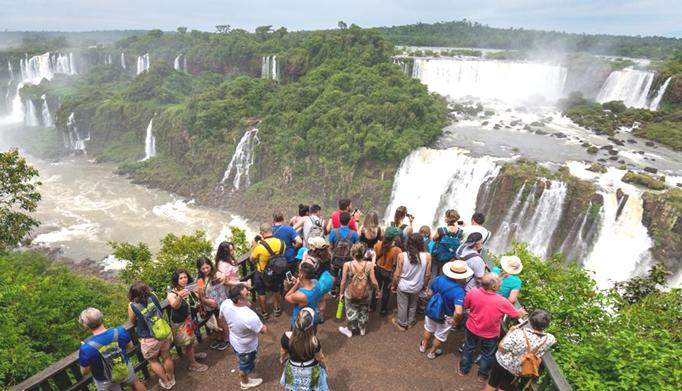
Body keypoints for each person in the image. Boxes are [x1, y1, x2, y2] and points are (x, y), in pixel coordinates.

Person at [459, 274, 527, 380]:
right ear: (494, 287)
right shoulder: (502, 301)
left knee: (468, 348)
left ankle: (463, 370)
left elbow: (466, 305)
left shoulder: (473, 292)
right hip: (490, 333)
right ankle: (482, 375)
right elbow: (515, 315)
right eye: (500, 284)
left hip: (472, 327)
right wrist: (521, 312)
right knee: (487, 354)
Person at [485, 310, 556, 391]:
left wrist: (510, 332)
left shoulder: (518, 333)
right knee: (504, 387)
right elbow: (553, 339)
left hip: (502, 362)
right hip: (516, 368)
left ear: (530, 321)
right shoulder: (549, 339)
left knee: (492, 383)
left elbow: (501, 347)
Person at [78, 307, 146, 391]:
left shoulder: (86, 348)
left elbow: (84, 372)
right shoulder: (120, 331)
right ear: (101, 318)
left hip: (104, 379)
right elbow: (130, 346)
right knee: (135, 383)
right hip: (124, 367)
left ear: (86, 325)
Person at [128, 282, 175, 389]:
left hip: (148, 338)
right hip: (162, 332)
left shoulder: (132, 305)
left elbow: (131, 321)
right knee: (166, 356)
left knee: (153, 360)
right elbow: (159, 308)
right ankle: (171, 378)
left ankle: (166, 382)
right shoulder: (153, 296)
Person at [220, 285, 268, 390]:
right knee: (244, 365)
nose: (250, 294)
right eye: (247, 294)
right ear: (239, 300)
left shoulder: (226, 303)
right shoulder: (249, 316)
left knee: (241, 357)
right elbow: (263, 330)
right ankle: (245, 381)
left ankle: (245, 366)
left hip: (235, 339)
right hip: (246, 346)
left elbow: (222, 318)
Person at [420, 261, 470, 359]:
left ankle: (423, 346)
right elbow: (459, 311)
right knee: (440, 335)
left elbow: (430, 292)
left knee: (428, 328)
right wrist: (455, 320)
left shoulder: (438, 279)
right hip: (446, 316)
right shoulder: (459, 291)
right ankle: (432, 353)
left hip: (432, 309)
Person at [167, 269, 208, 372]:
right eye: (181, 278)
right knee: (188, 343)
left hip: (190, 319)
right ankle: (192, 364)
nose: (184, 280)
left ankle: (193, 356)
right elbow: (174, 306)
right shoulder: (172, 292)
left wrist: (199, 291)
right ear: (176, 280)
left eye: (185, 277)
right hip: (181, 323)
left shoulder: (189, 287)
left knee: (191, 340)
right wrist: (180, 296)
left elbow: (198, 299)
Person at [279, 308, 330, 391]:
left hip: (293, 367)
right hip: (311, 369)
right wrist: (325, 366)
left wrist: (281, 359)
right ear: (311, 325)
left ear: (296, 322)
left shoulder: (286, 337)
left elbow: (283, 351)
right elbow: (320, 358)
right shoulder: (314, 341)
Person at [338, 243, 380, 338]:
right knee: (364, 310)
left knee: (351, 310)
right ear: (364, 253)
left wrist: (341, 293)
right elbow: (373, 281)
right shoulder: (369, 264)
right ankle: (362, 329)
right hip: (366, 293)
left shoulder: (347, 265)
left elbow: (343, 282)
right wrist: (377, 291)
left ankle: (350, 330)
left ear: (352, 253)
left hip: (350, 293)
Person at [392, 233, 431, 331]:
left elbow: (397, 274)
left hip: (403, 286)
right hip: (417, 286)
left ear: (408, 243)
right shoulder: (427, 256)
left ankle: (402, 323)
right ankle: (411, 321)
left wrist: (394, 285)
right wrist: (424, 285)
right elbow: (428, 274)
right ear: (421, 244)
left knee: (402, 304)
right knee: (413, 304)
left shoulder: (402, 256)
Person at [251, 223, 285, 319]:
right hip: (277, 271)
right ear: (271, 231)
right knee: (276, 290)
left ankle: (264, 312)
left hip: (262, 273)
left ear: (261, 233)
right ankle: (277, 309)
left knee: (261, 292)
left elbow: (252, 259)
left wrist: (254, 245)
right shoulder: (282, 243)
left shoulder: (260, 247)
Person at [196, 257, 230, 351]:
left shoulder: (216, 274)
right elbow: (201, 293)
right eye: (203, 268)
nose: (206, 270)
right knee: (214, 322)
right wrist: (204, 300)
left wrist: (223, 275)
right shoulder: (200, 279)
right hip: (209, 304)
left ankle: (226, 339)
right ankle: (219, 338)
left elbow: (224, 277)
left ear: (211, 265)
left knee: (222, 322)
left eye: (207, 267)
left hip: (220, 302)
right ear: (199, 269)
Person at [303, 236, 335, 323]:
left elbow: (304, 268)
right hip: (323, 281)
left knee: (311, 299)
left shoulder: (310, 256)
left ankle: (313, 315)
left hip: (313, 281)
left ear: (315, 247)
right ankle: (321, 316)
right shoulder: (328, 254)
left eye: (312, 245)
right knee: (322, 299)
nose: (310, 245)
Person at [372, 227, 402, 315]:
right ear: (394, 238)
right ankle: (383, 310)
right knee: (386, 291)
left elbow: (374, 257)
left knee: (376, 288)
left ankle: (372, 306)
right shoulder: (397, 250)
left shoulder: (377, 244)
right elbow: (397, 263)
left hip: (378, 269)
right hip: (388, 272)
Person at [285, 261, 325, 328]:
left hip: (301, 322)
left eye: (299, 272)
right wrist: (299, 282)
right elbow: (307, 287)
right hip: (313, 316)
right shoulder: (316, 282)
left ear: (302, 275)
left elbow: (287, 297)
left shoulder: (300, 295)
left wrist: (296, 285)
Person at [329, 212, 359, 286]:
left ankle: (332, 291)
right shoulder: (354, 234)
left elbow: (331, 246)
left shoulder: (333, 232)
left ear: (339, 220)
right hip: (348, 260)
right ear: (349, 221)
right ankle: (343, 293)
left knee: (333, 275)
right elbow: (356, 248)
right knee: (345, 276)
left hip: (335, 259)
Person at [431, 209, 464, 277]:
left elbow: (434, 239)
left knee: (434, 274)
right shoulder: (460, 232)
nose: (444, 218)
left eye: (445, 216)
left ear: (448, 218)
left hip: (437, 257)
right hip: (450, 259)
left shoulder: (441, 230)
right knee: (445, 275)